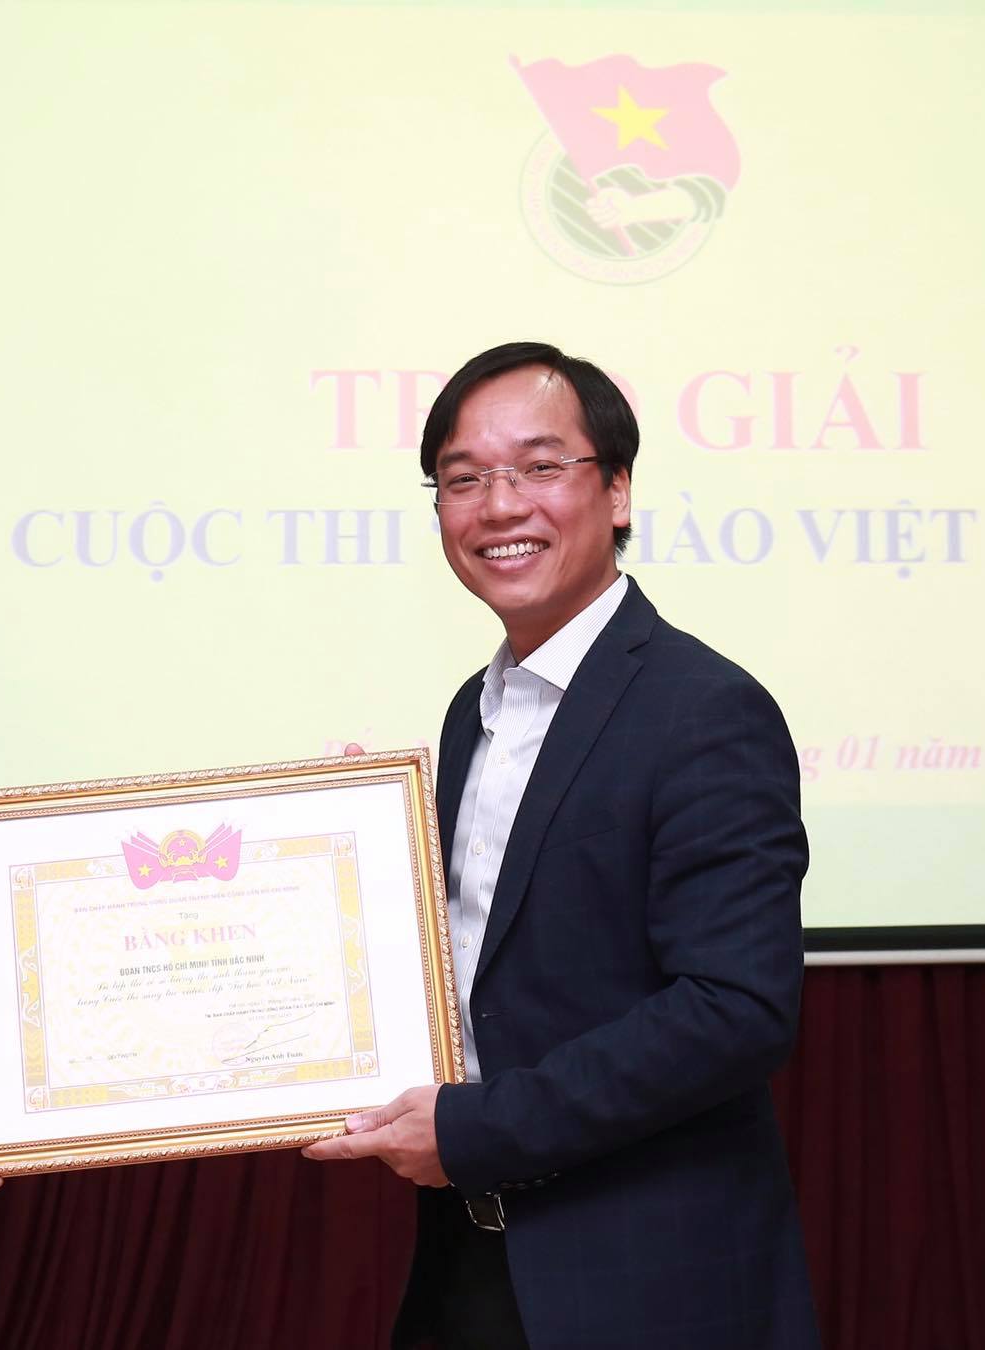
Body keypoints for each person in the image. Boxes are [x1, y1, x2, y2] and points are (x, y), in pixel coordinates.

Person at [307, 342, 817, 1349]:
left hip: (642, 1283)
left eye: (540, 468)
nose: (498, 507)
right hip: (469, 1260)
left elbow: (736, 1009)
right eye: (462, 479)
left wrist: (476, 1130)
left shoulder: (703, 709)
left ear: (617, 490)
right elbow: (492, 965)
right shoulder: (474, 711)